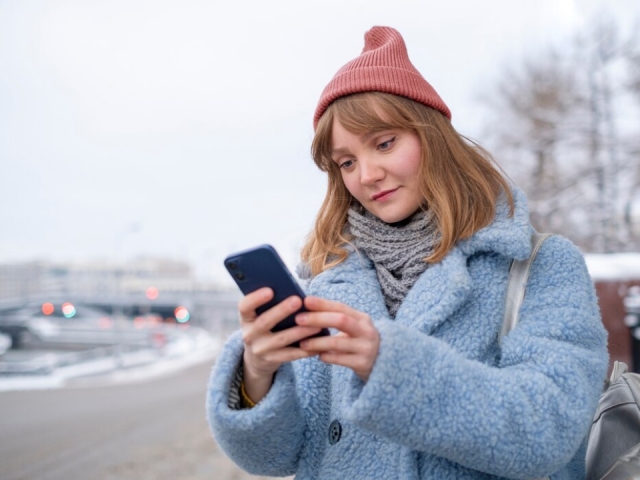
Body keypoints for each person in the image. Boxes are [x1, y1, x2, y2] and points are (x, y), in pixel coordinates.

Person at [206, 26, 608, 480]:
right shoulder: (330, 276)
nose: (367, 175)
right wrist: (257, 374)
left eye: (384, 143)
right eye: (346, 162)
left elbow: (549, 426)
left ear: (432, 137)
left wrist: (393, 367)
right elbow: (275, 457)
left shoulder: (538, 264)